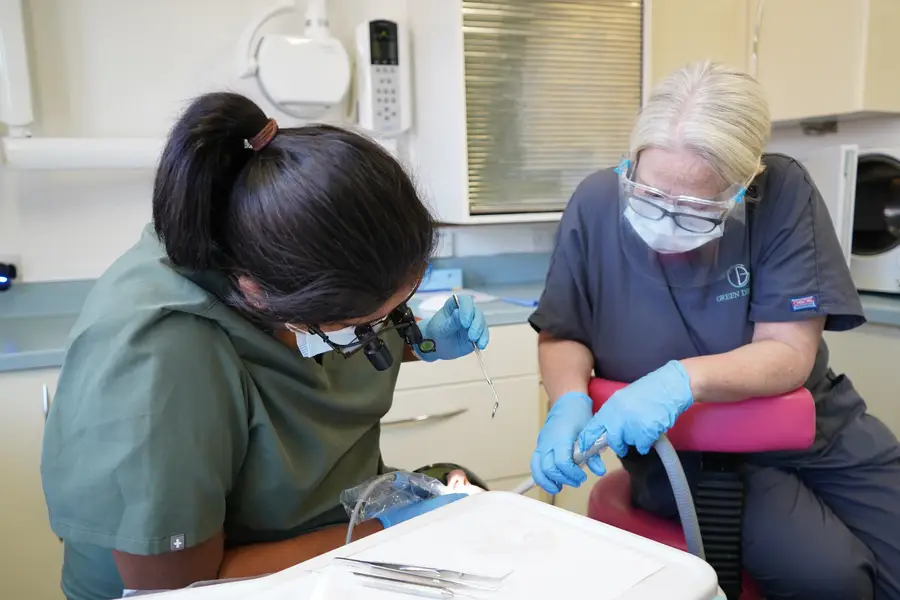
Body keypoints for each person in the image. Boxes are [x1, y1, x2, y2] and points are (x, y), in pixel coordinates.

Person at [41, 92, 490, 600]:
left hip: (314, 537)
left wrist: (420, 341)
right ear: (262, 295)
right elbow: (177, 586)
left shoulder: (258, 244)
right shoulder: (162, 361)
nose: (383, 330)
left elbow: (307, 356)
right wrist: (388, 531)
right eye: (361, 324)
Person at [529, 61, 900, 600]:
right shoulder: (595, 205)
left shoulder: (782, 193)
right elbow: (563, 331)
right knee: (834, 580)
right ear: (629, 164)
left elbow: (789, 350)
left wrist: (680, 379)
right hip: (689, 453)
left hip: (817, 428)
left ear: (743, 186)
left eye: (698, 208)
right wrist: (567, 402)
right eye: (651, 196)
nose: (666, 221)